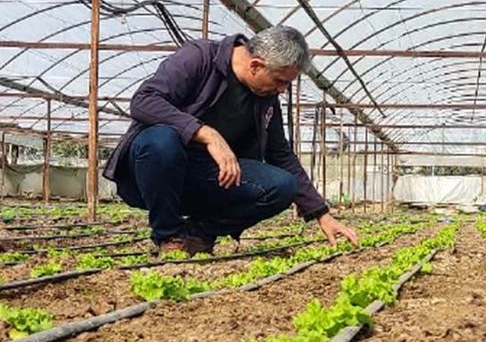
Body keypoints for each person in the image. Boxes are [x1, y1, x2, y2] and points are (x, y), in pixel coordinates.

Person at [103, 27, 358, 255]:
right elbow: (144, 100)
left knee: (283, 185)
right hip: (153, 175)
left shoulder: (266, 98)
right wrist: (206, 134)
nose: (282, 90)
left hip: (208, 179)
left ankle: (196, 235)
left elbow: (279, 153)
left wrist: (321, 213)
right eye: (280, 81)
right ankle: (168, 236)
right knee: (161, 140)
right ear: (255, 65)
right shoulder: (199, 57)